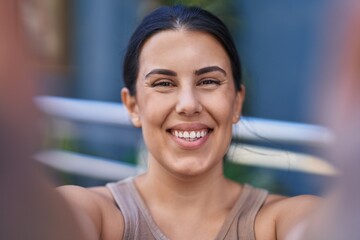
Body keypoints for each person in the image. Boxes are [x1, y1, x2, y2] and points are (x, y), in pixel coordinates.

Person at [57, 5, 319, 240]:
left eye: (209, 82)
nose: (189, 104)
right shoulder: (96, 214)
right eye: (164, 84)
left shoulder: (279, 221)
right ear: (133, 106)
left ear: (237, 102)